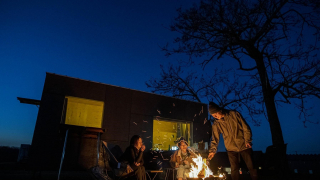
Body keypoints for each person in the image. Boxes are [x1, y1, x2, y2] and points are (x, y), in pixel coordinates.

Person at [207, 102, 258, 180]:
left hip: (244, 145)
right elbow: (215, 138)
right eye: (213, 116)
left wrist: (247, 140)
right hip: (231, 148)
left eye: (215, 114)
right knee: (234, 169)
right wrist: (213, 150)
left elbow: (245, 127)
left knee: (252, 166)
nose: (215, 117)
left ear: (219, 110)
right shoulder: (216, 124)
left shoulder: (234, 114)